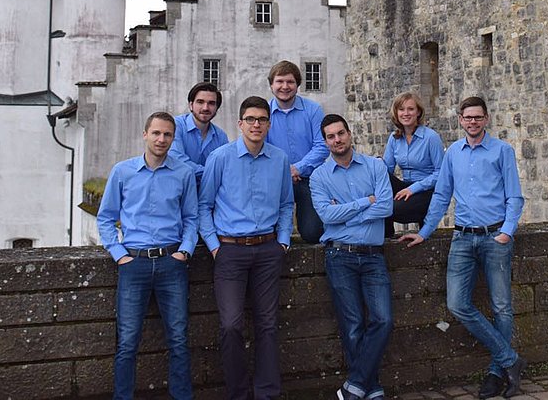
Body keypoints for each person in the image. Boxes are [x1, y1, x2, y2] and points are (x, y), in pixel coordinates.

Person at [400, 97, 526, 399]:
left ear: (486, 119)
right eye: (468, 118)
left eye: (478, 117)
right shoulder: (452, 153)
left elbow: (515, 197)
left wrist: (507, 231)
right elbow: (442, 195)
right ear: (460, 120)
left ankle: (496, 374)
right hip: (462, 238)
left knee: (501, 307)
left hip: (495, 236)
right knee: (457, 304)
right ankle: (510, 359)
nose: (472, 122)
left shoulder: (502, 151)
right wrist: (425, 232)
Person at [96, 111, 199, 400]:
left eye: (167, 134)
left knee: (178, 339)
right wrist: (119, 255)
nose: (161, 139)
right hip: (134, 263)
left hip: (171, 263)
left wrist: (185, 251)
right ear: (145, 134)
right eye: (156, 133)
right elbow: (105, 218)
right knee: (127, 341)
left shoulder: (183, 173)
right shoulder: (123, 172)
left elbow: (192, 217)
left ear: (173, 138)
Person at [198, 95, 294, 400]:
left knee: (268, 325)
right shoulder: (220, 157)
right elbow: (204, 206)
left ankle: (267, 393)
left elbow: (286, 203)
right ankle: (238, 394)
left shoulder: (279, 158)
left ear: (269, 124)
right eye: (250, 119)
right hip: (229, 252)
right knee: (230, 325)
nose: (256, 124)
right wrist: (215, 247)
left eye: (262, 119)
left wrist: (283, 241)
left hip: (268, 250)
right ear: (240, 124)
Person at [311, 113, 394, 400]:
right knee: (353, 324)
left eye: (341, 133)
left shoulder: (374, 166)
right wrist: (363, 202)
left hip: (373, 256)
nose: (337, 140)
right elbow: (325, 215)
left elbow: (385, 207)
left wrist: (345, 216)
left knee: (383, 320)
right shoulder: (319, 176)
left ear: (349, 133)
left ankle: (354, 387)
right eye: (331, 136)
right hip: (339, 256)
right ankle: (371, 390)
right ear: (325, 142)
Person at [264, 60, 329, 243]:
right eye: (280, 81)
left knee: (312, 233)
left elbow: (321, 146)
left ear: (297, 85)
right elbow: (262, 148)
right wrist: (285, 171)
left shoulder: (313, 110)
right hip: (275, 180)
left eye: (290, 82)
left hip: (308, 179)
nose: (285, 86)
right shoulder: (264, 112)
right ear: (271, 85)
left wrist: (297, 168)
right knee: (269, 233)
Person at [381, 91, 444, 239]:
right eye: (401, 109)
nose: (406, 113)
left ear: (418, 112)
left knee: (389, 208)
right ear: (396, 113)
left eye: (410, 109)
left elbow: (441, 173)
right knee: (379, 177)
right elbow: (387, 170)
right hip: (405, 187)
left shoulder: (431, 137)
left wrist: (413, 188)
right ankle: (385, 238)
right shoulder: (394, 138)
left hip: (427, 190)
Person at [171, 81, 229, 180]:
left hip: (207, 192)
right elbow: (177, 160)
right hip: (178, 189)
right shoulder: (176, 126)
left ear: (217, 108)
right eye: (200, 102)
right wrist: (211, 173)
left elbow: (225, 168)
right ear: (191, 105)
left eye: (211, 103)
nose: (205, 108)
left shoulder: (221, 136)